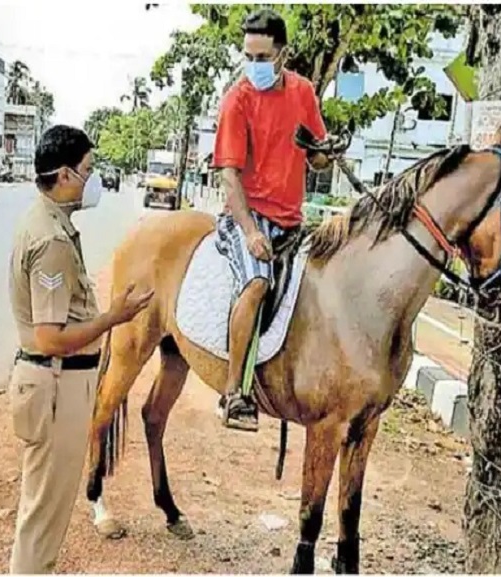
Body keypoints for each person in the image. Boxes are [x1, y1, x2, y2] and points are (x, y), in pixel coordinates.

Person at [7, 125, 153, 573]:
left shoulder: (50, 223)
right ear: (67, 175)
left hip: (58, 383)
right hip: (56, 385)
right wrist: (115, 317)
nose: (94, 180)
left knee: (44, 513)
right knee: (43, 518)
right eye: (89, 170)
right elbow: (49, 336)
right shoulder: (51, 240)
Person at [212, 9, 331, 432]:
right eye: (249, 56)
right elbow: (229, 174)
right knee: (258, 282)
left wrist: (324, 150)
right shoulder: (237, 99)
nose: (254, 66)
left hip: (292, 221)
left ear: (283, 55)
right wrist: (248, 233)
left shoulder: (303, 93)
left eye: (262, 57)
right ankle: (233, 395)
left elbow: (316, 157)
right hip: (246, 215)